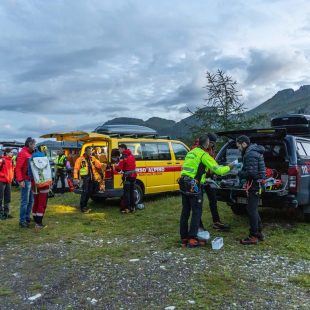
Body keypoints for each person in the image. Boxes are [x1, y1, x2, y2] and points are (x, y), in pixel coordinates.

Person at [179, 135, 235, 248]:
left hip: (183, 183)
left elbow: (192, 168)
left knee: (185, 211)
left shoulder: (191, 152)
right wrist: (230, 167)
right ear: (207, 143)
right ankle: (193, 239)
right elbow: (218, 170)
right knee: (196, 211)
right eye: (211, 143)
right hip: (194, 185)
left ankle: (184, 237)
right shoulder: (204, 155)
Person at [236, 135, 266, 245]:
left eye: (238, 146)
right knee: (252, 208)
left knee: (251, 209)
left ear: (244, 143)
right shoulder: (252, 151)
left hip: (255, 185)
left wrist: (239, 173)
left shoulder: (250, 154)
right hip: (256, 184)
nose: (238, 148)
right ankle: (258, 232)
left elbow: (251, 173)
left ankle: (253, 236)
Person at [200, 133, 230, 231]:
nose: (212, 145)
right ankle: (199, 226)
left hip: (210, 177)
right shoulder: (198, 148)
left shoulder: (211, 149)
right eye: (211, 143)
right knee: (198, 203)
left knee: (213, 200)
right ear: (207, 141)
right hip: (199, 178)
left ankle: (216, 222)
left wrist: (214, 171)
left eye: (213, 144)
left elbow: (213, 162)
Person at [73, 146, 105, 213]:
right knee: (85, 193)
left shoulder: (92, 158)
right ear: (85, 151)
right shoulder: (80, 159)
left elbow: (98, 164)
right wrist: (75, 178)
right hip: (85, 179)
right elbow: (76, 169)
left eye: (91, 151)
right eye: (89, 151)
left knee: (89, 192)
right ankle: (83, 207)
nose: (90, 153)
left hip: (92, 178)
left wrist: (104, 164)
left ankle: (85, 206)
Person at [28, 145, 51, 230]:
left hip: (34, 182)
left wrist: (32, 179)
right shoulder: (44, 157)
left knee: (36, 201)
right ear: (43, 149)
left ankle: (35, 219)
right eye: (46, 149)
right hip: (43, 182)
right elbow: (48, 171)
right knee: (42, 202)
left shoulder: (31, 157)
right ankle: (38, 223)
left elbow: (29, 172)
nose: (46, 151)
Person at [16, 137, 36, 228]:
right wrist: (20, 180)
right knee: (25, 201)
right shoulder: (23, 153)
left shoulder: (30, 153)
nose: (34, 146)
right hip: (25, 180)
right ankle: (22, 220)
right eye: (33, 144)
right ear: (29, 144)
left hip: (31, 180)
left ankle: (27, 217)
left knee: (31, 200)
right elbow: (18, 168)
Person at [115, 144, 137, 213]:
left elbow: (119, 168)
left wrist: (115, 166)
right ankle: (133, 207)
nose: (119, 150)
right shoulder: (132, 155)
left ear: (123, 148)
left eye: (119, 149)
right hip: (133, 176)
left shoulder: (123, 157)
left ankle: (127, 208)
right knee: (132, 192)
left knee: (126, 193)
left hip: (127, 177)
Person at [0, 148, 14, 219]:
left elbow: (12, 170)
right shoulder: (2, 160)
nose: (12, 153)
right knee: (0, 198)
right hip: (1, 181)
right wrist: (3, 176)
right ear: (6, 153)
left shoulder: (11, 160)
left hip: (8, 181)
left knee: (7, 198)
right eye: (11, 152)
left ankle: (6, 213)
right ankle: (1, 213)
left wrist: (11, 178)